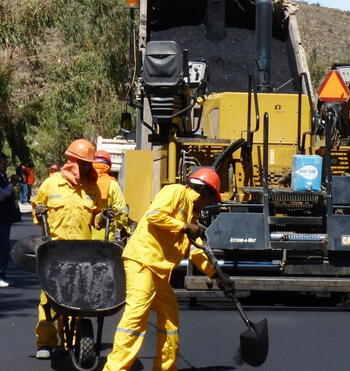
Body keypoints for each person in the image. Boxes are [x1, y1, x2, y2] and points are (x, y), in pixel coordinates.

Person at [103, 168, 235, 371]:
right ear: (204, 192)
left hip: (159, 270)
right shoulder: (176, 192)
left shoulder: (192, 212)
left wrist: (216, 274)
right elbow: (155, 216)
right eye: (210, 200)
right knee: (136, 317)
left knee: (170, 317)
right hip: (142, 262)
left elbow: (195, 249)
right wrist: (183, 226)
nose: (209, 205)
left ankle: (165, 368)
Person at [31, 139, 107, 360]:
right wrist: (40, 212)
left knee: (77, 298)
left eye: (88, 164)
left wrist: (104, 216)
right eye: (82, 163)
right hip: (55, 252)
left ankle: (73, 340)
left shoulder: (92, 187)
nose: (86, 167)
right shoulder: (52, 184)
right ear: (72, 161)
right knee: (49, 300)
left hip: (82, 254)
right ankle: (45, 341)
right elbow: (37, 212)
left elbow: (97, 220)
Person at [91, 150, 130, 241]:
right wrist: (123, 227)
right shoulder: (112, 184)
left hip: (85, 236)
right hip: (105, 235)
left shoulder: (86, 182)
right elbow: (121, 211)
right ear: (108, 166)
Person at [0, 152, 21, 288]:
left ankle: (2, 274)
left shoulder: (2, 176)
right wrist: (11, 185)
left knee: (4, 246)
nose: (6, 166)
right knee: (2, 246)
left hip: (5, 218)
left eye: (6, 163)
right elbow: (1, 195)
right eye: (3, 163)